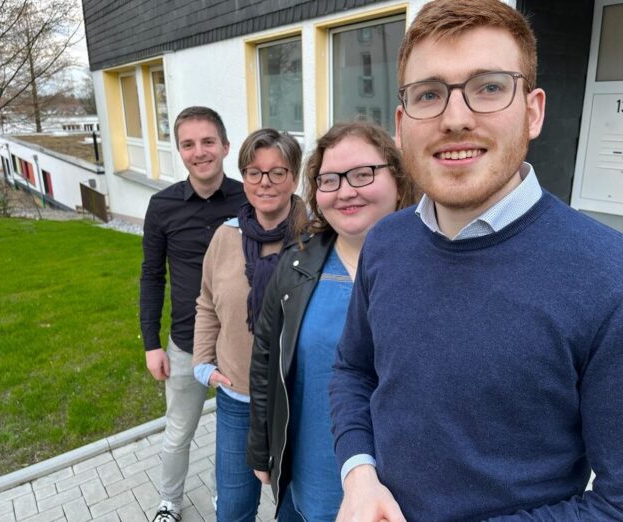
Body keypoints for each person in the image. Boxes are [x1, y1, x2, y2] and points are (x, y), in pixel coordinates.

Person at [329, 1, 623, 521]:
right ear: (401, 122)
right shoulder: (386, 242)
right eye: (428, 94)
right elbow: (353, 370)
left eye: (489, 87)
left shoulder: (621, 285)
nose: (455, 119)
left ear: (533, 110)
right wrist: (359, 475)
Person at [246, 121, 418, 521]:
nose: (345, 191)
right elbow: (266, 358)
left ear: (398, 176)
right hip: (309, 475)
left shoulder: (436, 266)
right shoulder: (295, 264)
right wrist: (261, 449)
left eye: (362, 174)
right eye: (329, 180)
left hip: (397, 492)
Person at [192, 128, 304, 522]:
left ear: (295, 176)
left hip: (298, 401)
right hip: (237, 397)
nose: (265, 183)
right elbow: (206, 303)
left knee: (297, 508)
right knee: (235, 509)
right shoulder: (225, 237)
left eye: (278, 172)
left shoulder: (315, 237)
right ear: (243, 176)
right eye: (254, 172)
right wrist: (203, 364)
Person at [140, 107, 246, 522]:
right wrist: (151, 343)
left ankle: (228, 498)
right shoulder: (162, 206)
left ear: (224, 146)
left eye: (207, 142)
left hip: (240, 342)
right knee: (178, 432)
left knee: (233, 434)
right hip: (185, 344)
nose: (199, 152)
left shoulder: (248, 197)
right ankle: (169, 501)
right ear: (179, 151)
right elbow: (151, 276)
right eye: (188, 144)